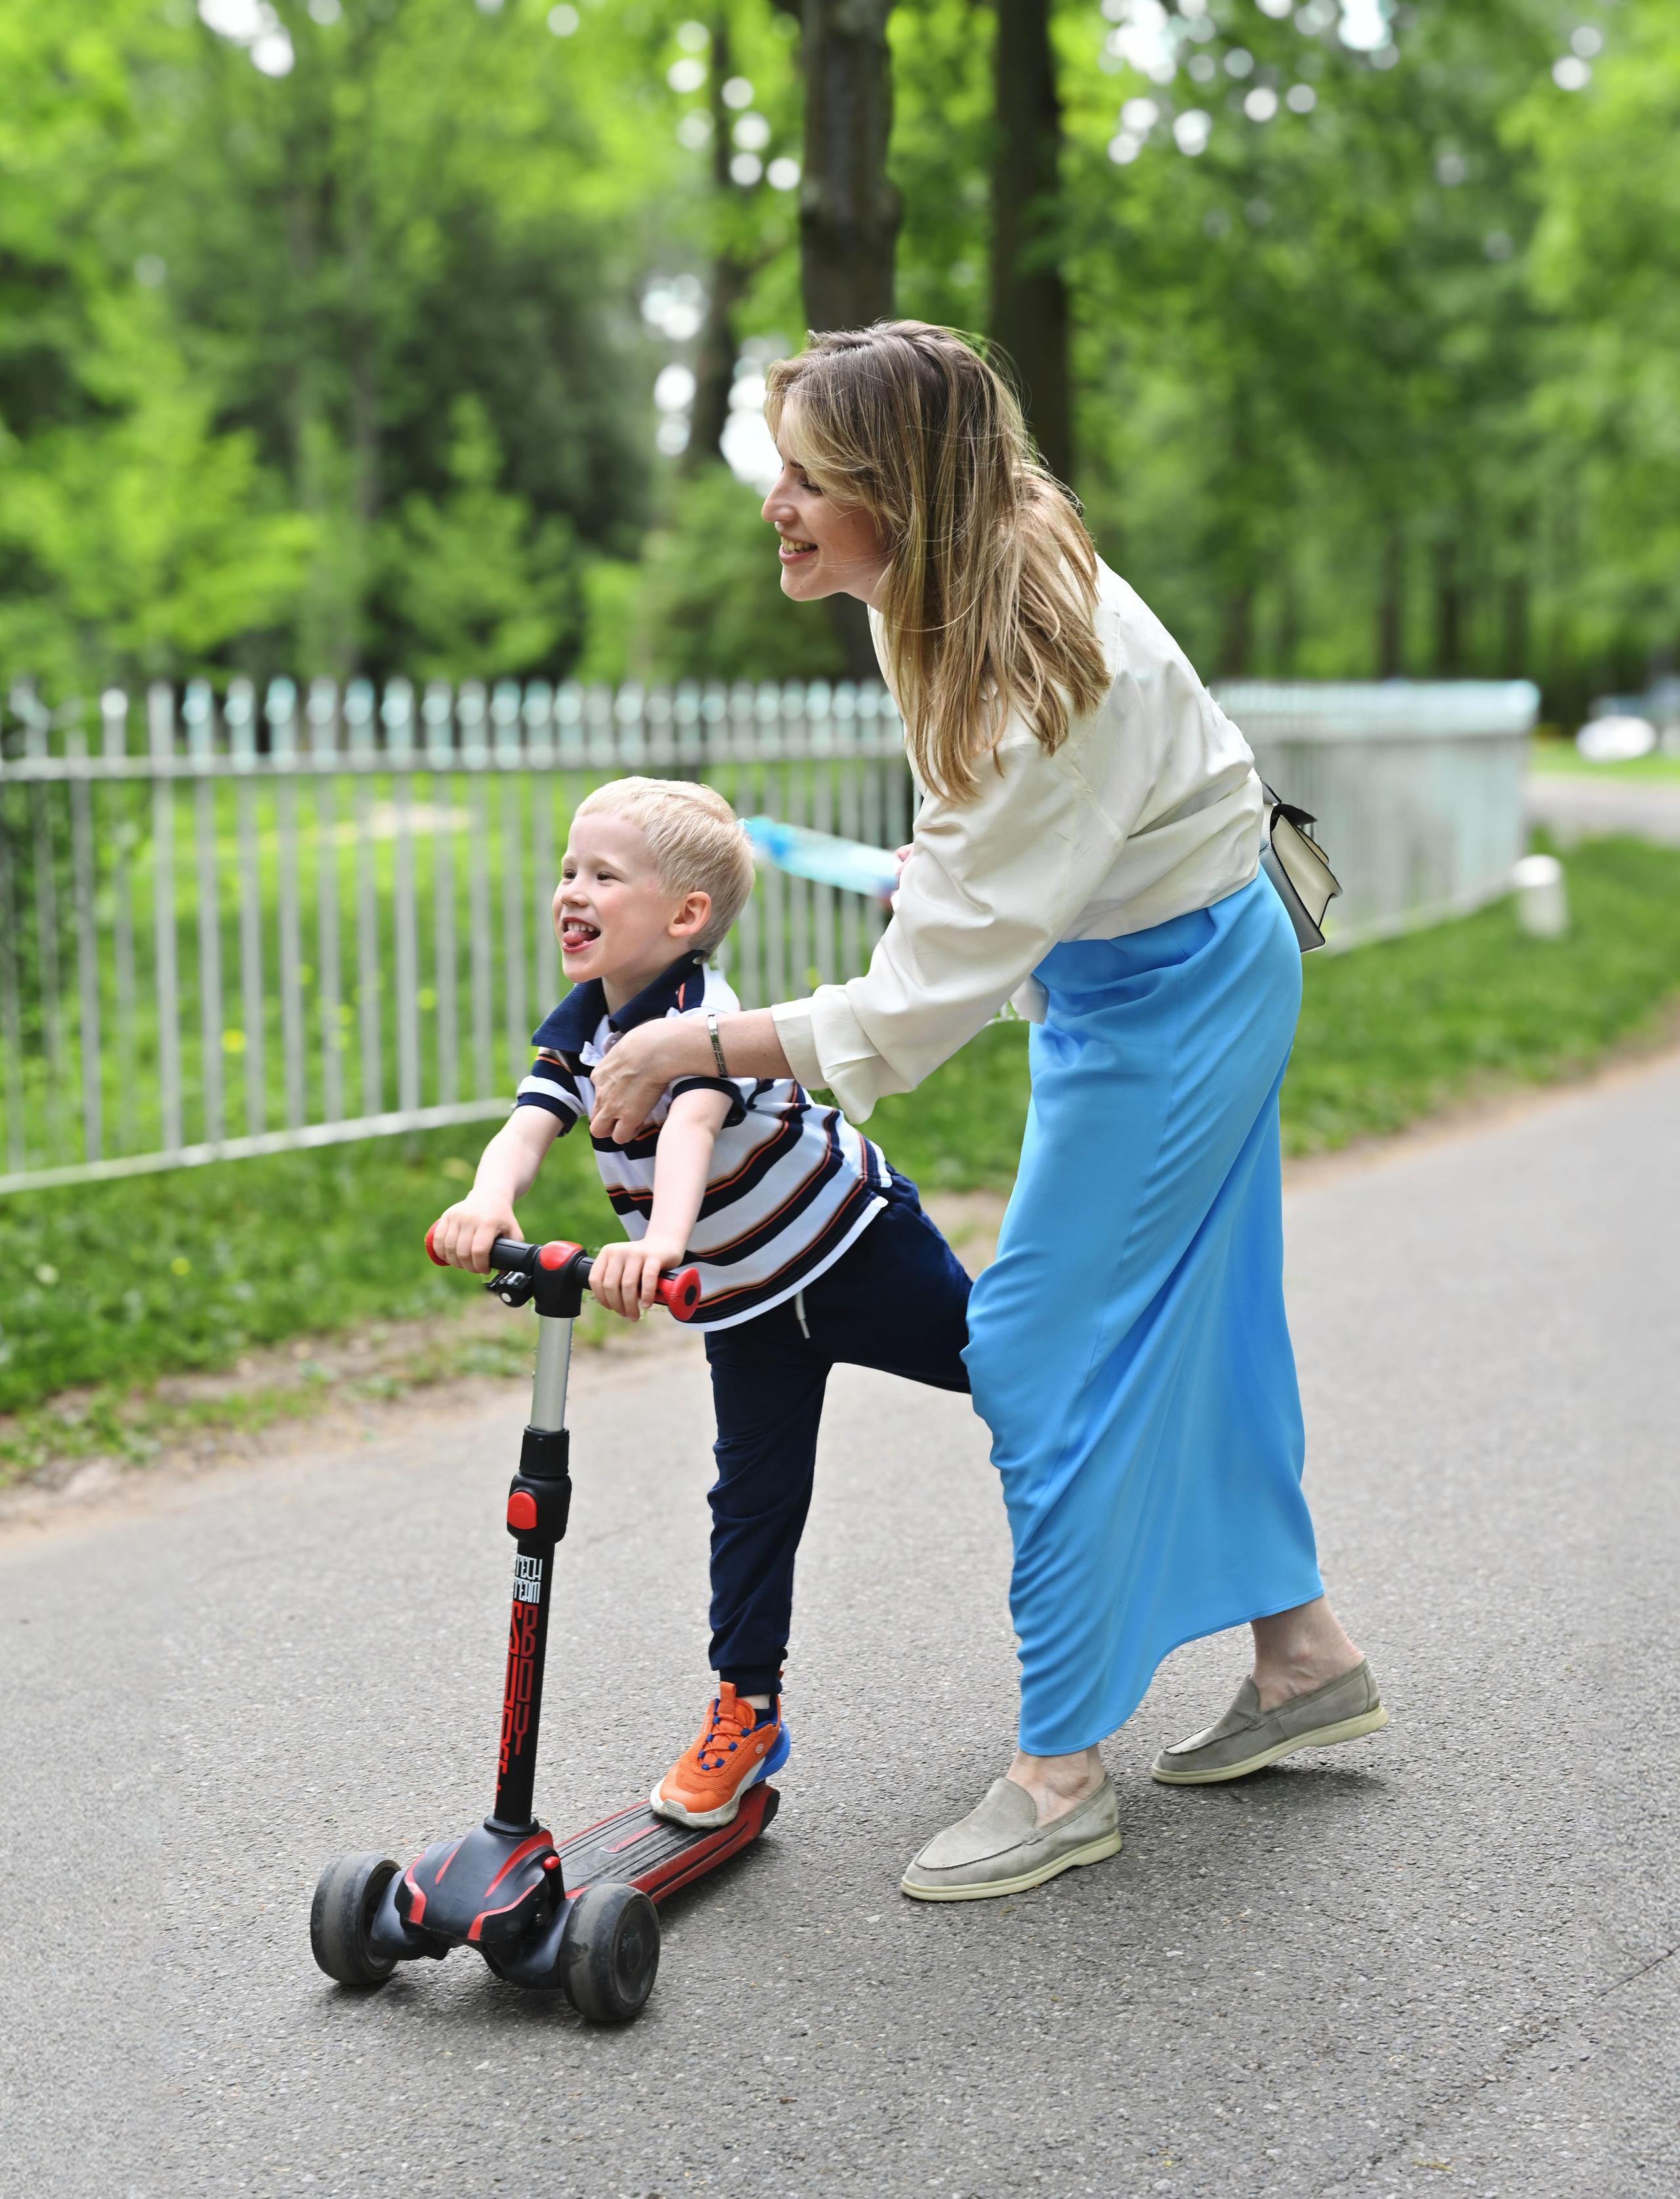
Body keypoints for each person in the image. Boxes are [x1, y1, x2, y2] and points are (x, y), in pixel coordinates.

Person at [585, 322, 1388, 1904]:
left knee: (1030, 1344)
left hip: (1174, 997)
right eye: (783, 464)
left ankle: (1059, 1771)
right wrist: (955, 880)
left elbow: (911, 1005)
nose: (779, 499)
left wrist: (700, 1050)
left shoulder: (1026, 665)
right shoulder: (937, 582)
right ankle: (1302, 1656)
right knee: (1201, 1324)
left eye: (814, 474)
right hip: (1150, 967)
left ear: (902, 488)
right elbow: (988, 859)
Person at [428, 775, 972, 1831]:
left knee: (1009, 1373)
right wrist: (487, 1197)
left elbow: (687, 1128)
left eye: (603, 875)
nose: (570, 891)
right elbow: (530, 1123)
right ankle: (747, 1708)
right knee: (752, 1502)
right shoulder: (579, 1026)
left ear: (685, 917)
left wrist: (663, 1244)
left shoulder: (701, 1015)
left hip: (853, 1248)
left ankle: (1124, 1453)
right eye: (568, 869)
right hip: (745, 1305)